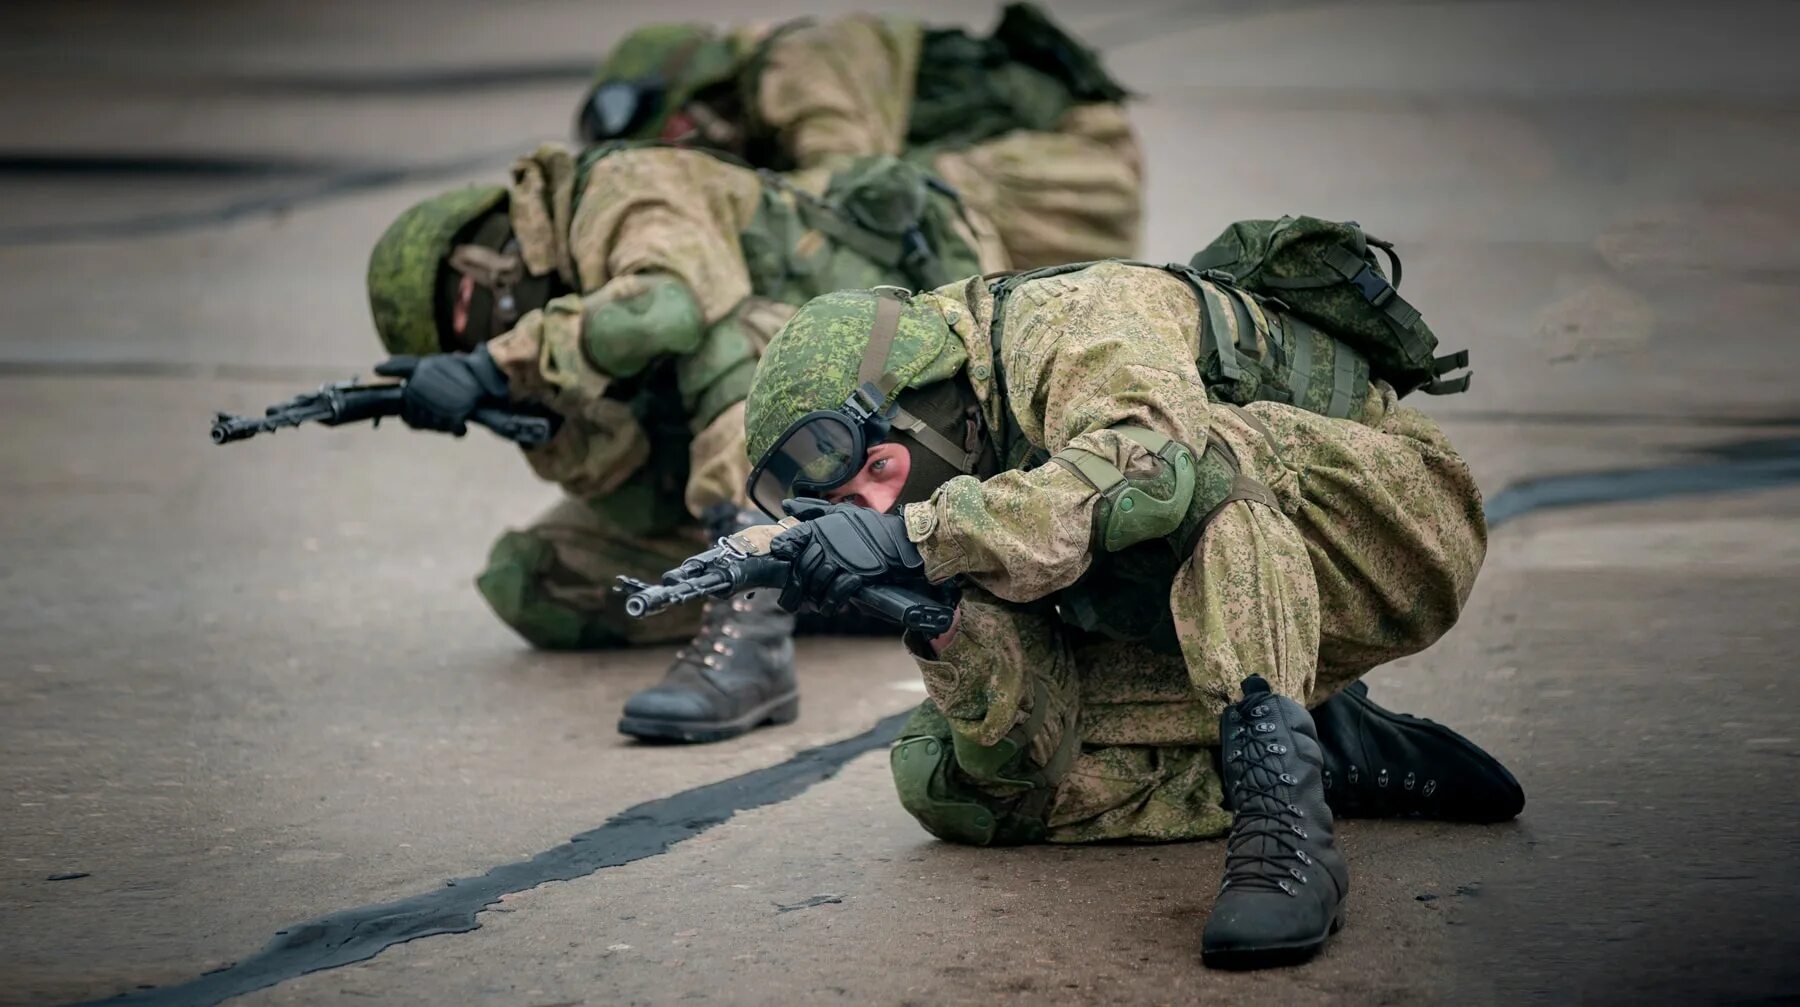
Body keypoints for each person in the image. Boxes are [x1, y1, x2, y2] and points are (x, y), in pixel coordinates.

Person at [738, 262, 1521, 968]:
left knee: (1191, 462)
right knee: (951, 778)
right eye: (847, 504)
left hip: (1392, 530)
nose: (878, 504)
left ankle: (1284, 824)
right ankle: (1326, 743)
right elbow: (1031, 748)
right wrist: (936, 619)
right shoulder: (950, 469)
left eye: (880, 470)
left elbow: (1152, 468)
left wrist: (919, 534)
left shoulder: (1075, 319)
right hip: (1206, 611)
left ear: (935, 408)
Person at [363, 140, 1009, 743]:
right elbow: (639, 498)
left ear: (483, 251)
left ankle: (753, 635)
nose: (480, 338)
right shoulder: (569, 311)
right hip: (794, 482)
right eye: (460, 348)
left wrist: (502, 364)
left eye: (468, 315)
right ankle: (840, 578)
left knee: (716, 335)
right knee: (535, 581)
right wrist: (529, 415)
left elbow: (668, 308)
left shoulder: (624, 187)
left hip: (893, 413)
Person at [575, 3, 1141, 270]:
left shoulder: (796, 66)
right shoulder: (758, 102)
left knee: (896, 199)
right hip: (1038, 176)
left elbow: (847, 179)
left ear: (695, 91)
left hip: (1082, 170)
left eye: (675, 136)